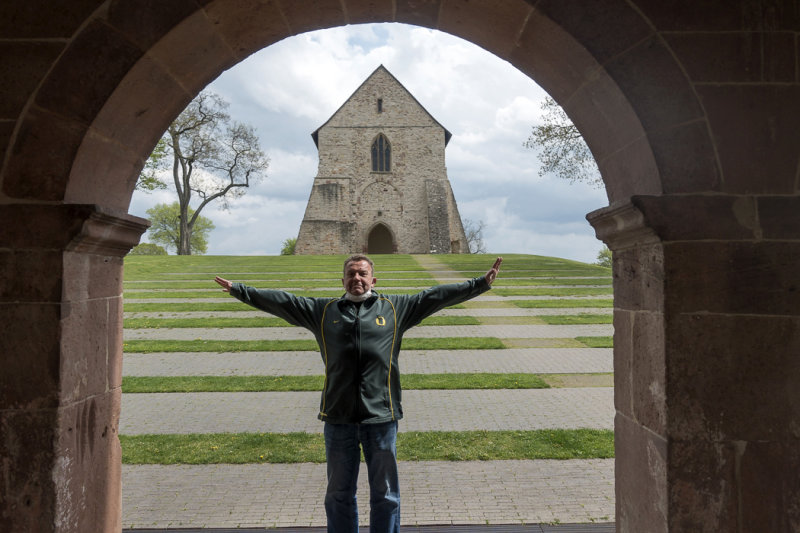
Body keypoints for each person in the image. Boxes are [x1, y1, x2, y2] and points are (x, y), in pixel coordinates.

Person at [214, 254, 502, 533]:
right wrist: (240, 290)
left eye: (362, 273)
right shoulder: (323, 311)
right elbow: (283, 301)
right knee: (338, 494)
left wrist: (480, 284)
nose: (357, 278)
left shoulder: (394, 308)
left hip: (381, 417)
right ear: (342, 280)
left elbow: (435, 296)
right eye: (351, 274)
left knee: (386, 494)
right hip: (338, 418)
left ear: (373, 279)